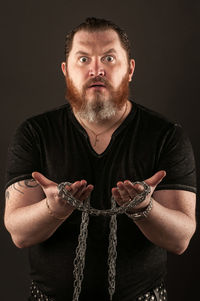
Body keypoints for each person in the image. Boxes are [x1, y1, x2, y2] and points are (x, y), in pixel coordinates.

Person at [4, 17, 196, 301]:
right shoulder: (35, 133)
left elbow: (181, 239)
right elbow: (19, 233)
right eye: (83, 59)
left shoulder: (166, 135)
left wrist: (144, 208)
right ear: (66, 70)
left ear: (129, 69)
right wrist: (53, 208)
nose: (97, 69)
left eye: (109, 57)